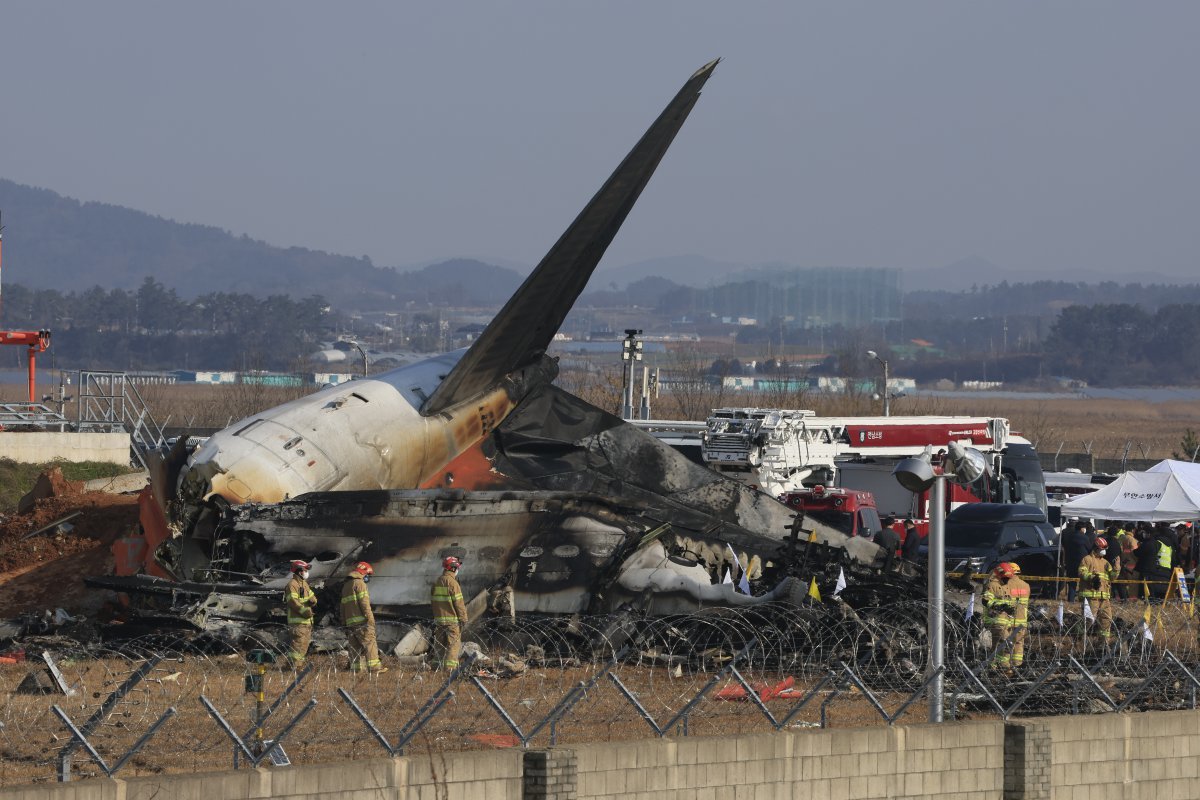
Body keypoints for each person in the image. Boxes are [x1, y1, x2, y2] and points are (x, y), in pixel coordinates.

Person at [983, 562, 1030, 673]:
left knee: (1002, 645)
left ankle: (1001, 667)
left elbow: (987, 600)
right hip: (1020, 621)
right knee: (1017, 645)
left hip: (1006, 621)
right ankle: (1015, 667)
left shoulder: (1005, 585)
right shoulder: (1026, 586)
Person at [340, 561, 386, 674]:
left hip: (350, 623)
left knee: (354, 647)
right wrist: (370, 619)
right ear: (363, 573)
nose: (368, 578)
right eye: (368, 575)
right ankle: (375, 668)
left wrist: (344, 622)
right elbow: (365, 604)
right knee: (370, 644)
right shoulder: (360, 584)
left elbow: (342, 607)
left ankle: (355, 669)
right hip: (362, 622)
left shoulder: (346, 586)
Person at [431, 556, 469, 670]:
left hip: (439, 620)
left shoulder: (437, 582)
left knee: (439, 645)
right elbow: (459, 604)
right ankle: (450, 669)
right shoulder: (453, 583)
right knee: (453, 645)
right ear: (453, 568)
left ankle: (436, 666)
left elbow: (433, 602)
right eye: (457, 568)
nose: (458, 570)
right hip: (452, 621)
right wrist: (464, 619)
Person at [1078, 537, 1116, 645]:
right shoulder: (1087, 559)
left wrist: (1117, 568)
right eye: (1102, 548)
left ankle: (1103, 644)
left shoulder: (1106, 562)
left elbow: (1112, 577)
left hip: (1104, 597)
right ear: (1096, 548)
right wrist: (1091, 577)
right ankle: (1079, 640)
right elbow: (1081, 572)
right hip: (1091, 596)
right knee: (1088, 621)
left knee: (1106, 620)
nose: (1104, 551)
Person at [284, 560, 317, 668]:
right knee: (297, 645)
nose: (306, 572)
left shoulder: (304, 584)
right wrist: (305, 611)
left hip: (307, 621)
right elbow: (293, 602)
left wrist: (313, 600)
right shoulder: (292, 585)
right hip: (298, 621)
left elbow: (312, 597)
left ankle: (297, 666)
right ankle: (292, 666)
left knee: (303, 646)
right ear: (299, 571)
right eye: (305, 570)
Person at [1062, 520, 1092, 601]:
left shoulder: (1069, 537)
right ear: (1082, 528)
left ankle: (1071, 600)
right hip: (1082, 563)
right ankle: (1084, 600)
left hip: (1070, 563)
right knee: (1084, 582)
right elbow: (1089, 549)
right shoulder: (1084, 537)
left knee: (1072, 583)